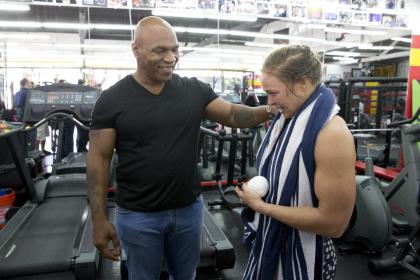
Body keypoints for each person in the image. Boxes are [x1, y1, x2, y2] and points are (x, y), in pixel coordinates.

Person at [86, 16, 273, 280]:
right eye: (160, 50)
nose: (171, 58)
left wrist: (271, 109)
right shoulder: (111, 99)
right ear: (136, 49)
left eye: (174, 49)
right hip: (138, 216)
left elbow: (233, 115)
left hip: (188, 211)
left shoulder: (194, 90)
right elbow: (98, 161)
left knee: (185, 276)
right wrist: (98, 220)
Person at [234, 45, 356, 280]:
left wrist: (261, 207)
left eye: (274, 93)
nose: (269, 104)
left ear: (302, 83)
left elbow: (334, 223)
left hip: (308, 257)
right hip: (273, 242)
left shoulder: (332, 134)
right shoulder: (287, 121)